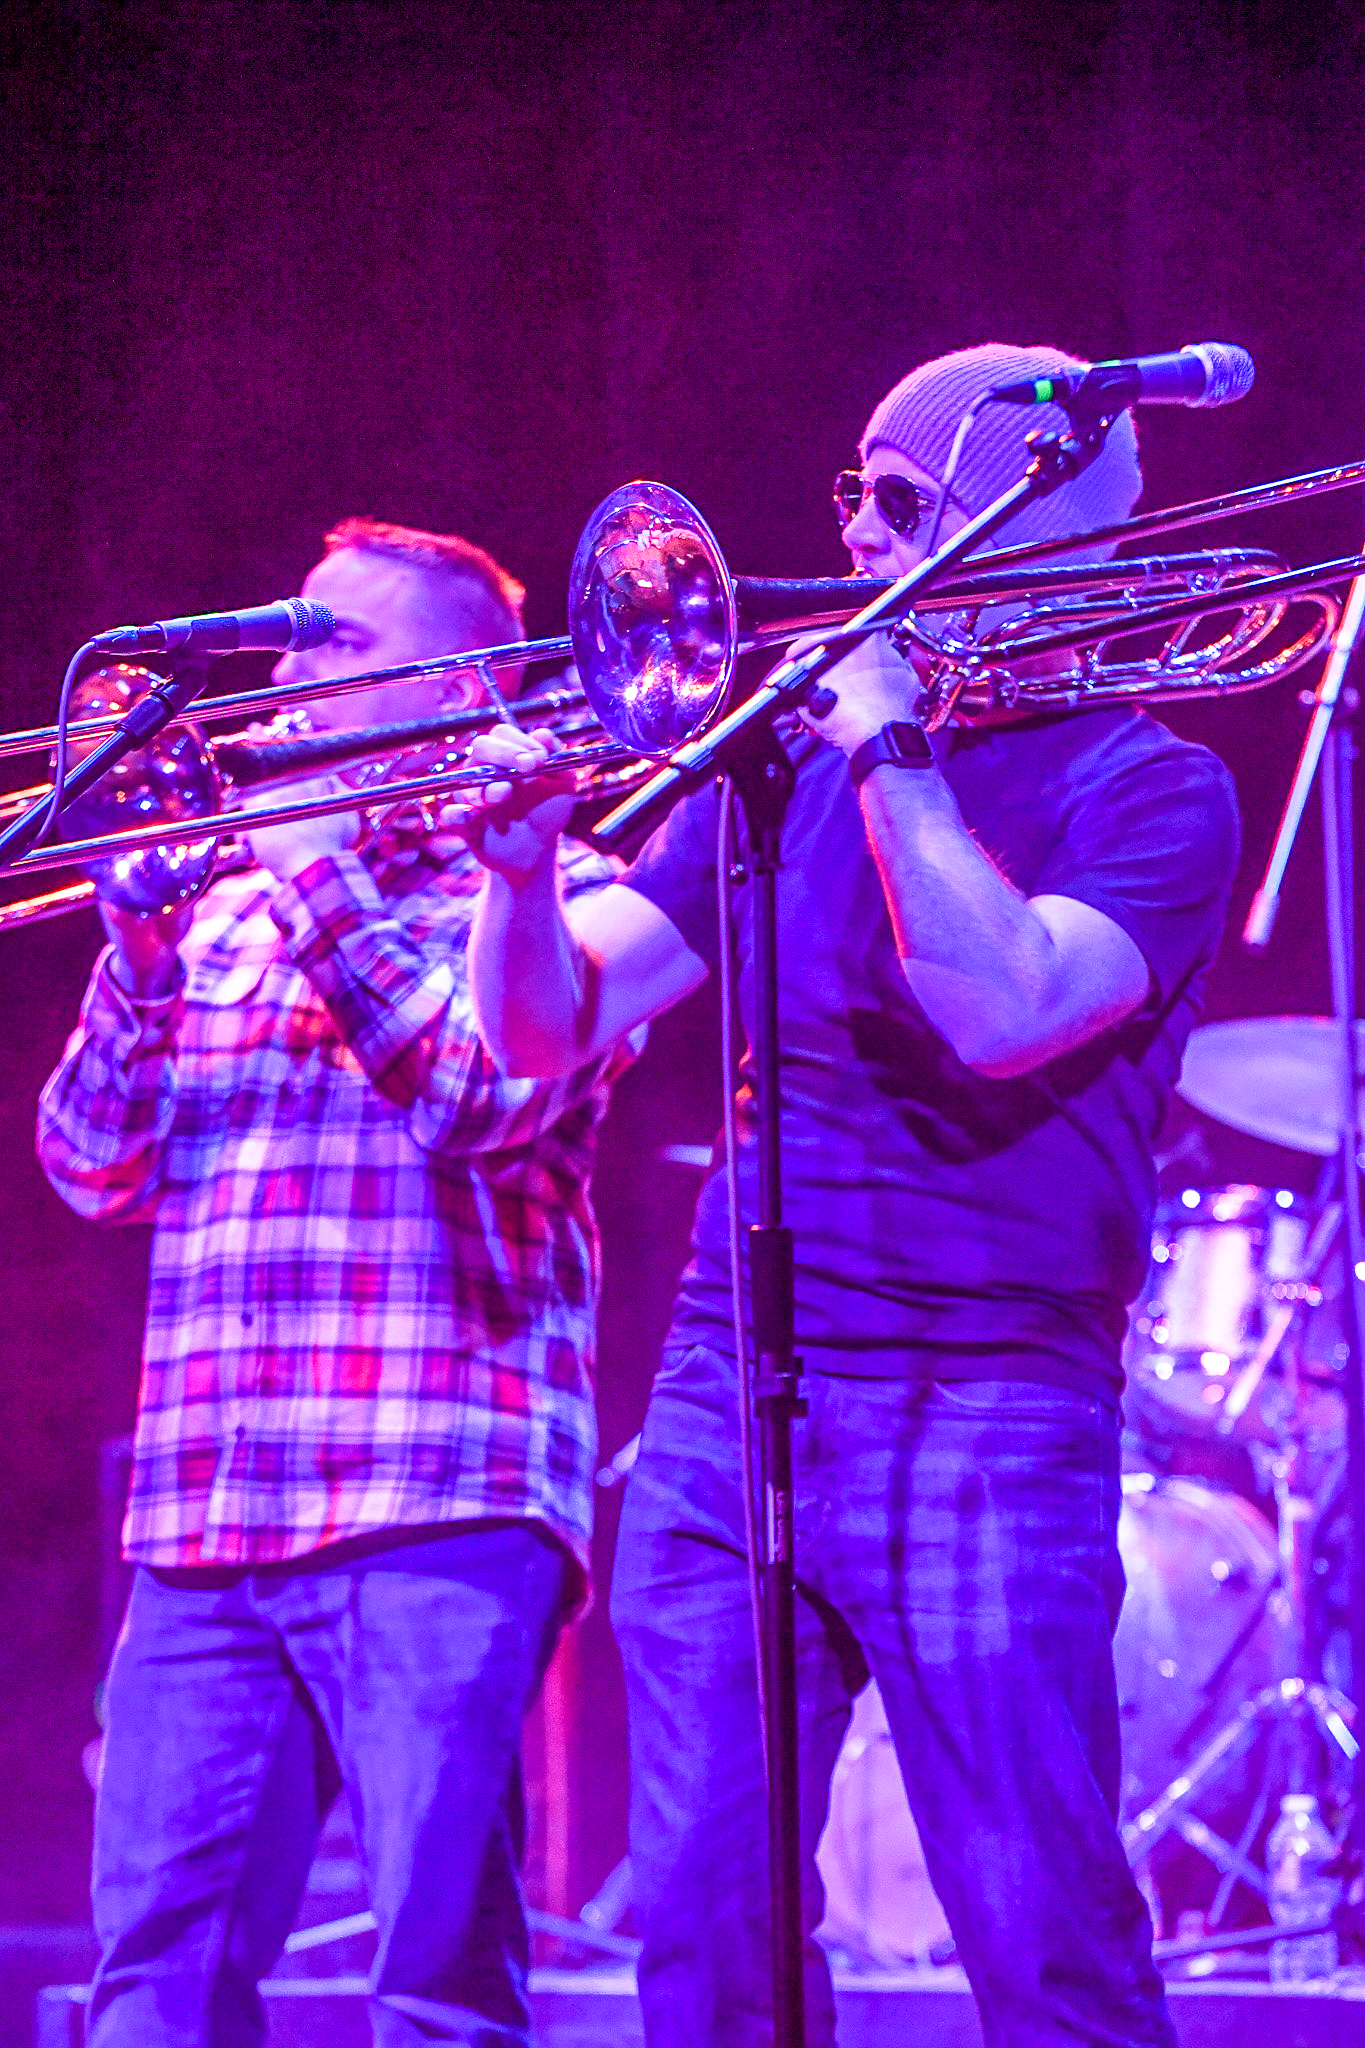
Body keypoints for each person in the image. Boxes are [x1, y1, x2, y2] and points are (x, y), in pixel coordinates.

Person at [458, 344, 1242, 2047]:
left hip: (988, 1397)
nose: (856, 536)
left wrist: (895, 751)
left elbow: (1004, 1006)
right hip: (728, 1388)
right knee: (702, 1926)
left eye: (900, 502)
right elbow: (542, 1028)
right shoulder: (784, 766)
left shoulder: (1153, 786)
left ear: (1036, 529)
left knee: (1038, 1930)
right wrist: (513, 880)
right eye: (855, 494)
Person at [38, 518, 635, 2047]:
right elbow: (90, 1168)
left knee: (435, 1980)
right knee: (153, 1980)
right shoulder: (227, 906)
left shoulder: (559, 890)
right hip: (208, 1516)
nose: (288, 675)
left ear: (464, 684)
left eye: (339, 643)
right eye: (292, 636)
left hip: (433, 1497)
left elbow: (477, 1096)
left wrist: (310, 867)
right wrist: (138, 954)